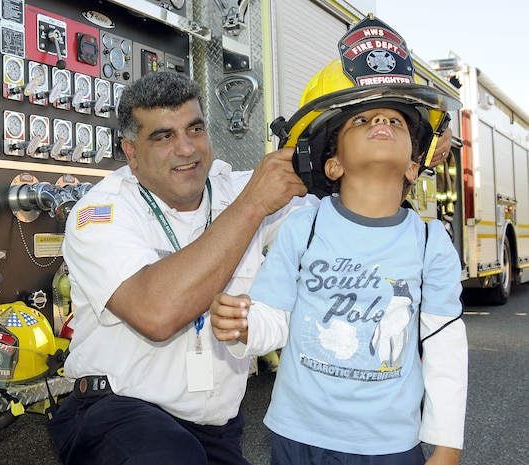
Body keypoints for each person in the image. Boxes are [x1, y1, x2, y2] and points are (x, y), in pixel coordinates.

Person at [210, 15, 468, 465]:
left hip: (389, 444)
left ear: (413, 164)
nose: (381, 122)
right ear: (332, 164)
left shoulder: (431, 243)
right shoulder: (303, 229)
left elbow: (445, 344)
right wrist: (245, 327)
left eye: (396, 120)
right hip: (297, 437)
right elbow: (276, 315)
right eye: (362, 118)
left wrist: (446, 444)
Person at [47, 70, 316, 465]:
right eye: (163, 136)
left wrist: (411, 152)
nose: (187, 149)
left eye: (195, 129)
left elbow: (343, 203)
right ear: (131, 152)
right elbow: (156, 314)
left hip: (217, 429)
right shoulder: (100, 211)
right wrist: (253, 206)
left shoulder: (237, 189)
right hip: (118, 411)